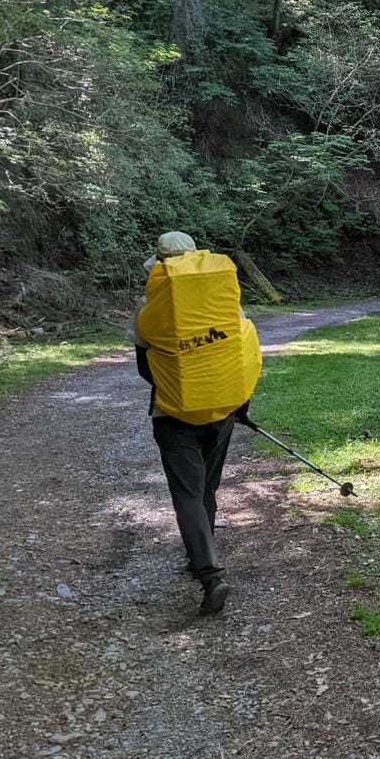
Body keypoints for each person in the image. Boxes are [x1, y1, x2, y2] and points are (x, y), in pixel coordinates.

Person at [127, 231, 250, 615]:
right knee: (207, 488)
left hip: (174, 415)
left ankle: (209, 572)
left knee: (187, 494)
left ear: (159, 267)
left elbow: (146, 371)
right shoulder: (228, 305)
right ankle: (202, 552)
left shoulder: (148, 313)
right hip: (224, 412)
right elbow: (239, 357)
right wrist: (239, 403)